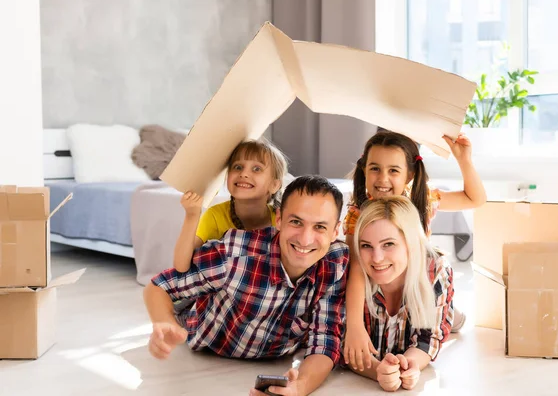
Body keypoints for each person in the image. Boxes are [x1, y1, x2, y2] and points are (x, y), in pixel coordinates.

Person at [145, 175, 348, 396]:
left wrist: (299, 387)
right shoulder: (236, 253)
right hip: (209, 336)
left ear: (336, 231)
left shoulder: (335, 262)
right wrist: (163, 322)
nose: (306, 239)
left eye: (319, 227)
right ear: (279, 219)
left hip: (275, 349)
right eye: (296, 222)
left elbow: (326, 341)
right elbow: (159, 285)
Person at [343, 129, 485, 370]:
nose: (382, 179)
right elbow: (356, 269)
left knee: (443, 316)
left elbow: (475, 199)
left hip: (419, 280)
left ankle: (450, 316)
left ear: (409, 174)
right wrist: (355, 326)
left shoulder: (423, 199)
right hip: (385, 281)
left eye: (393, 171)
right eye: (375, 168)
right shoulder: (358, 213)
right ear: (364, 170)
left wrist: (464, 159)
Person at [347, 196, 454, 391]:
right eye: (366, 246)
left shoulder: (435, 270)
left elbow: (429, 339)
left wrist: (411, 365)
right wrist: (379, 371)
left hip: (430, 304)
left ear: (410, 243)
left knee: (451, 321)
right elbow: (342, 345)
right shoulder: (350, 275)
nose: (377, 258)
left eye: (388, 244)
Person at [173, 138, 288, 272]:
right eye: (238, 167)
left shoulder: (283, 220)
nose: (244, 174)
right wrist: (192, 215)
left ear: (274, 185)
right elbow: (181, 266)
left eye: (257, 169)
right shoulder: (215, 215)